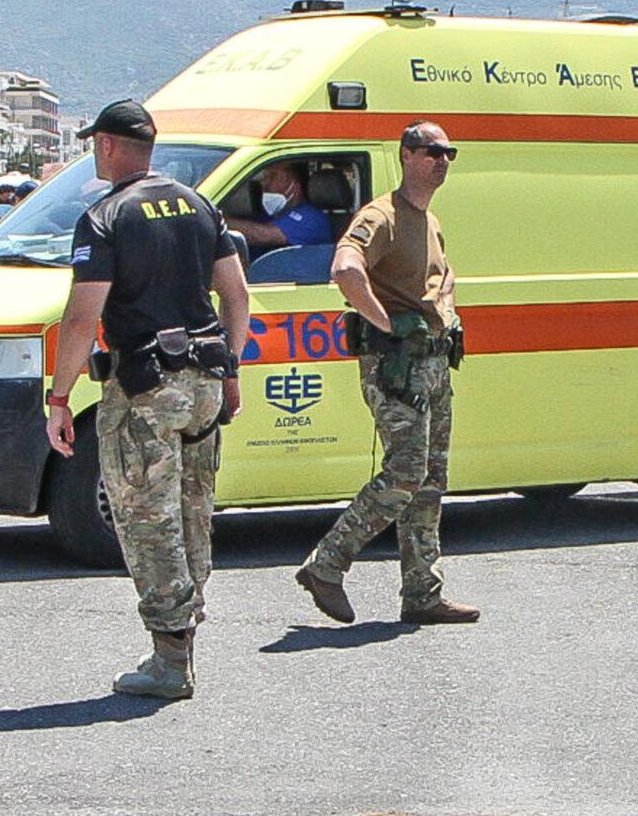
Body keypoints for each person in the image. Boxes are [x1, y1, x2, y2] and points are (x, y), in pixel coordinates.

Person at [44, 99, 250, 701]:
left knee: (146, 521)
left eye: (93, 144)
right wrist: (231, 366)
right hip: (204, 385)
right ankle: (186, 638)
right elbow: (236, 296)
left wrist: (60, 397)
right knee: (193, 514)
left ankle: (169, 660)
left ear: (108, 145)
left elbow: (83, 317)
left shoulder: (106, 216)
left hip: (145, 391)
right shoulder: (199, 204)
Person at [293, 121, 481, 630]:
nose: (441, 160)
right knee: (405, 473)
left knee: (430, 480)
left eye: (448, 153)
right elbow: (345, 269)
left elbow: (444, 275)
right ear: (406, 155)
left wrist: (446, 307)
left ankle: (423, 591)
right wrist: (387, 327)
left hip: (434, 362)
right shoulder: (382, 216)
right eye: (431, 152)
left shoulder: (428, 219)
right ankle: (327, 564)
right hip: (398, 367)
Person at [225, 160, 331, 251]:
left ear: (292, 182)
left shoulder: (312, 217)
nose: (264, 184)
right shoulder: (273, 214)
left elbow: (262, 235)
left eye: (272, 177)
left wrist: (218, 221)